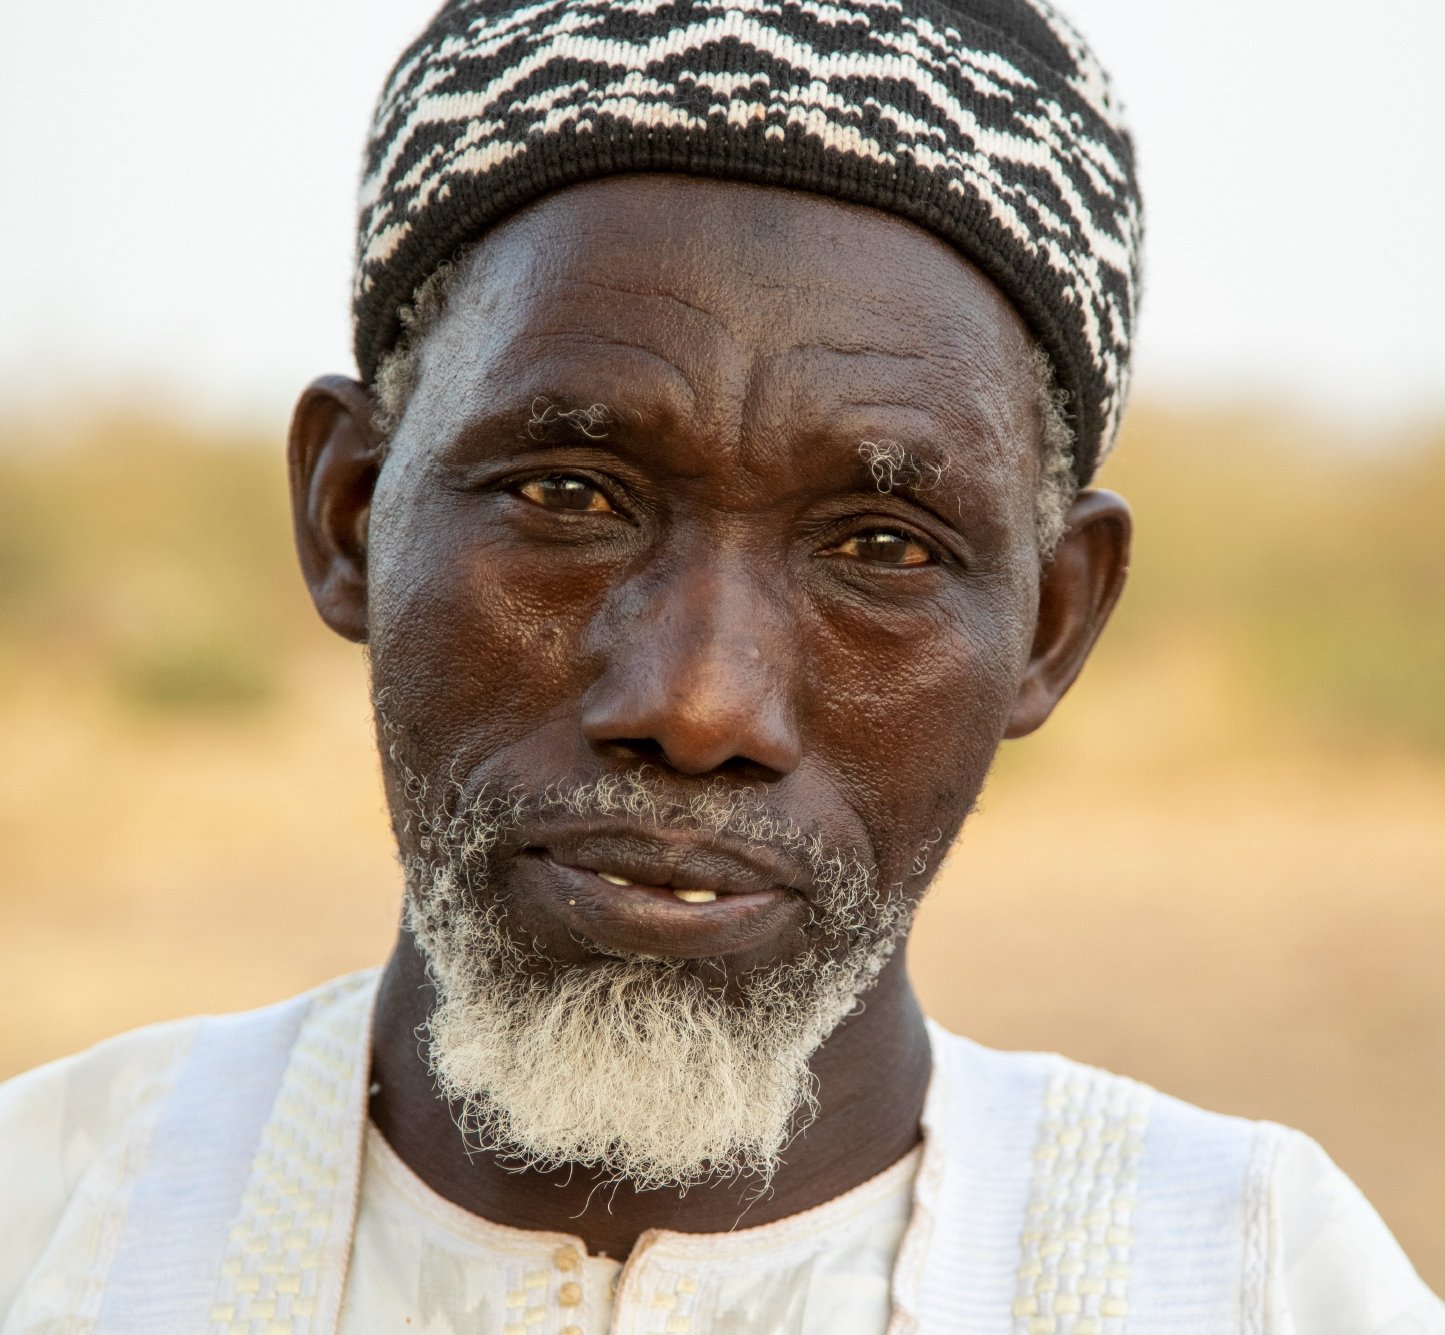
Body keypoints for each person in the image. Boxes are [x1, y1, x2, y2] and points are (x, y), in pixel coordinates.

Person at [2, 1, 1440, 1330]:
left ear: (1052, 624)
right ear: (352, 518)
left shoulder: (1250, 1279)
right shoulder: (50, 1225)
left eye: (880, 545)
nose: (695, 708)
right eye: (567, 495)